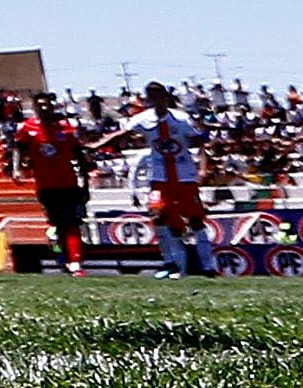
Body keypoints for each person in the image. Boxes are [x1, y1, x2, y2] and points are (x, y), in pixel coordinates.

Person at [108, 84, 217, 276]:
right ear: (148, 99)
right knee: (158, 216)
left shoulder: (182, 119)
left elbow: (200, 142)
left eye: (160, 96)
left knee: (195, 221)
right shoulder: (142, 119)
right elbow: (122, 134)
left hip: (184, 178)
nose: (157, 100)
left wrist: (202, 166)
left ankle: (208, 266)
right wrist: (95, 145)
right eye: (152, 96)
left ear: (167, 98)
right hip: (159, 179)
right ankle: (171, 263)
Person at [11, 101, 93, 274]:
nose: (44, 108)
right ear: (35, 108)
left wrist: (84, 183)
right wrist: (16, 169)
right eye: (40, 105)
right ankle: (61, 256)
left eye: (47, 105)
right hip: (46, 186)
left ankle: (76, 261)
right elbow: (18, 147)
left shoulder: (64, 128)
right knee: (55, 227)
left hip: (68, 184)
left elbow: (78, 155)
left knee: (71, 223)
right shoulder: (28, 128)